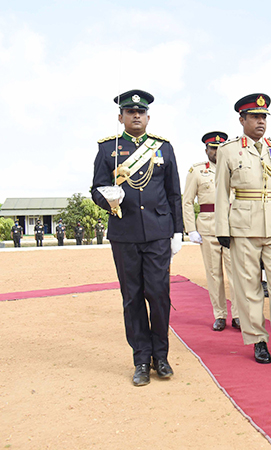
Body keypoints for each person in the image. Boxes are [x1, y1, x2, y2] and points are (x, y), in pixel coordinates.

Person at [92, 89, 183, 386]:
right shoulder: (108, 150)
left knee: (158, 295)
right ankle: (141, 359)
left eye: (140, 112)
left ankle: (162, 356)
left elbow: (173, 193)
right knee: (132, 298)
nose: (136, 116)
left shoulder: (164, 148)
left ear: (147, 117)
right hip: (125, 232)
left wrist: (177, 231)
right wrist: (110, 199)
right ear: (121, 118)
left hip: (158, 232)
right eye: (130, 112)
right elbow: (96, 189)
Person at [215, 93, 271, 366]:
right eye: (255, 117)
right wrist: (222, 228)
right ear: (242, 119)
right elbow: (220, 192)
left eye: (264, 117)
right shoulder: (228, 150)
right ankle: (257, 340)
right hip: (243, 228)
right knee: (249, 288)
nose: (261, 121)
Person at [183, 131, 240, 331]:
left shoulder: (235, 167)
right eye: (212, 148)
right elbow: (187, 201)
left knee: (236, 273)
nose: (216, 152)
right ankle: (220, 315)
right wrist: (190, 229)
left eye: (219, 148)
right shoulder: (197, 171)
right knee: (214, 274)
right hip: (208, 227)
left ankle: (239, 315)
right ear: (206, 150)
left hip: (232, 226)